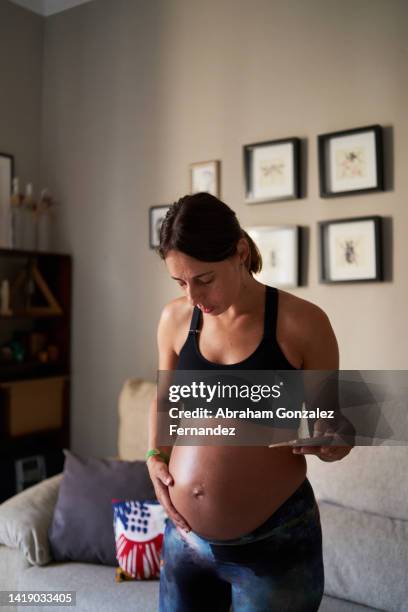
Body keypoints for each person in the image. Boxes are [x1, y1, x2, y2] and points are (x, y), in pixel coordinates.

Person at [147, 193, 352, 612]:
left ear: (240, 250)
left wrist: (334, 441)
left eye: (203, 279)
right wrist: (154, 455)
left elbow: (332, 427)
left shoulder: (304, 323)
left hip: (275, 546)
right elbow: (166, 400)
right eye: (180, 283)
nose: (193, 297)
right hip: (185, 543)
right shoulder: (174, 319)